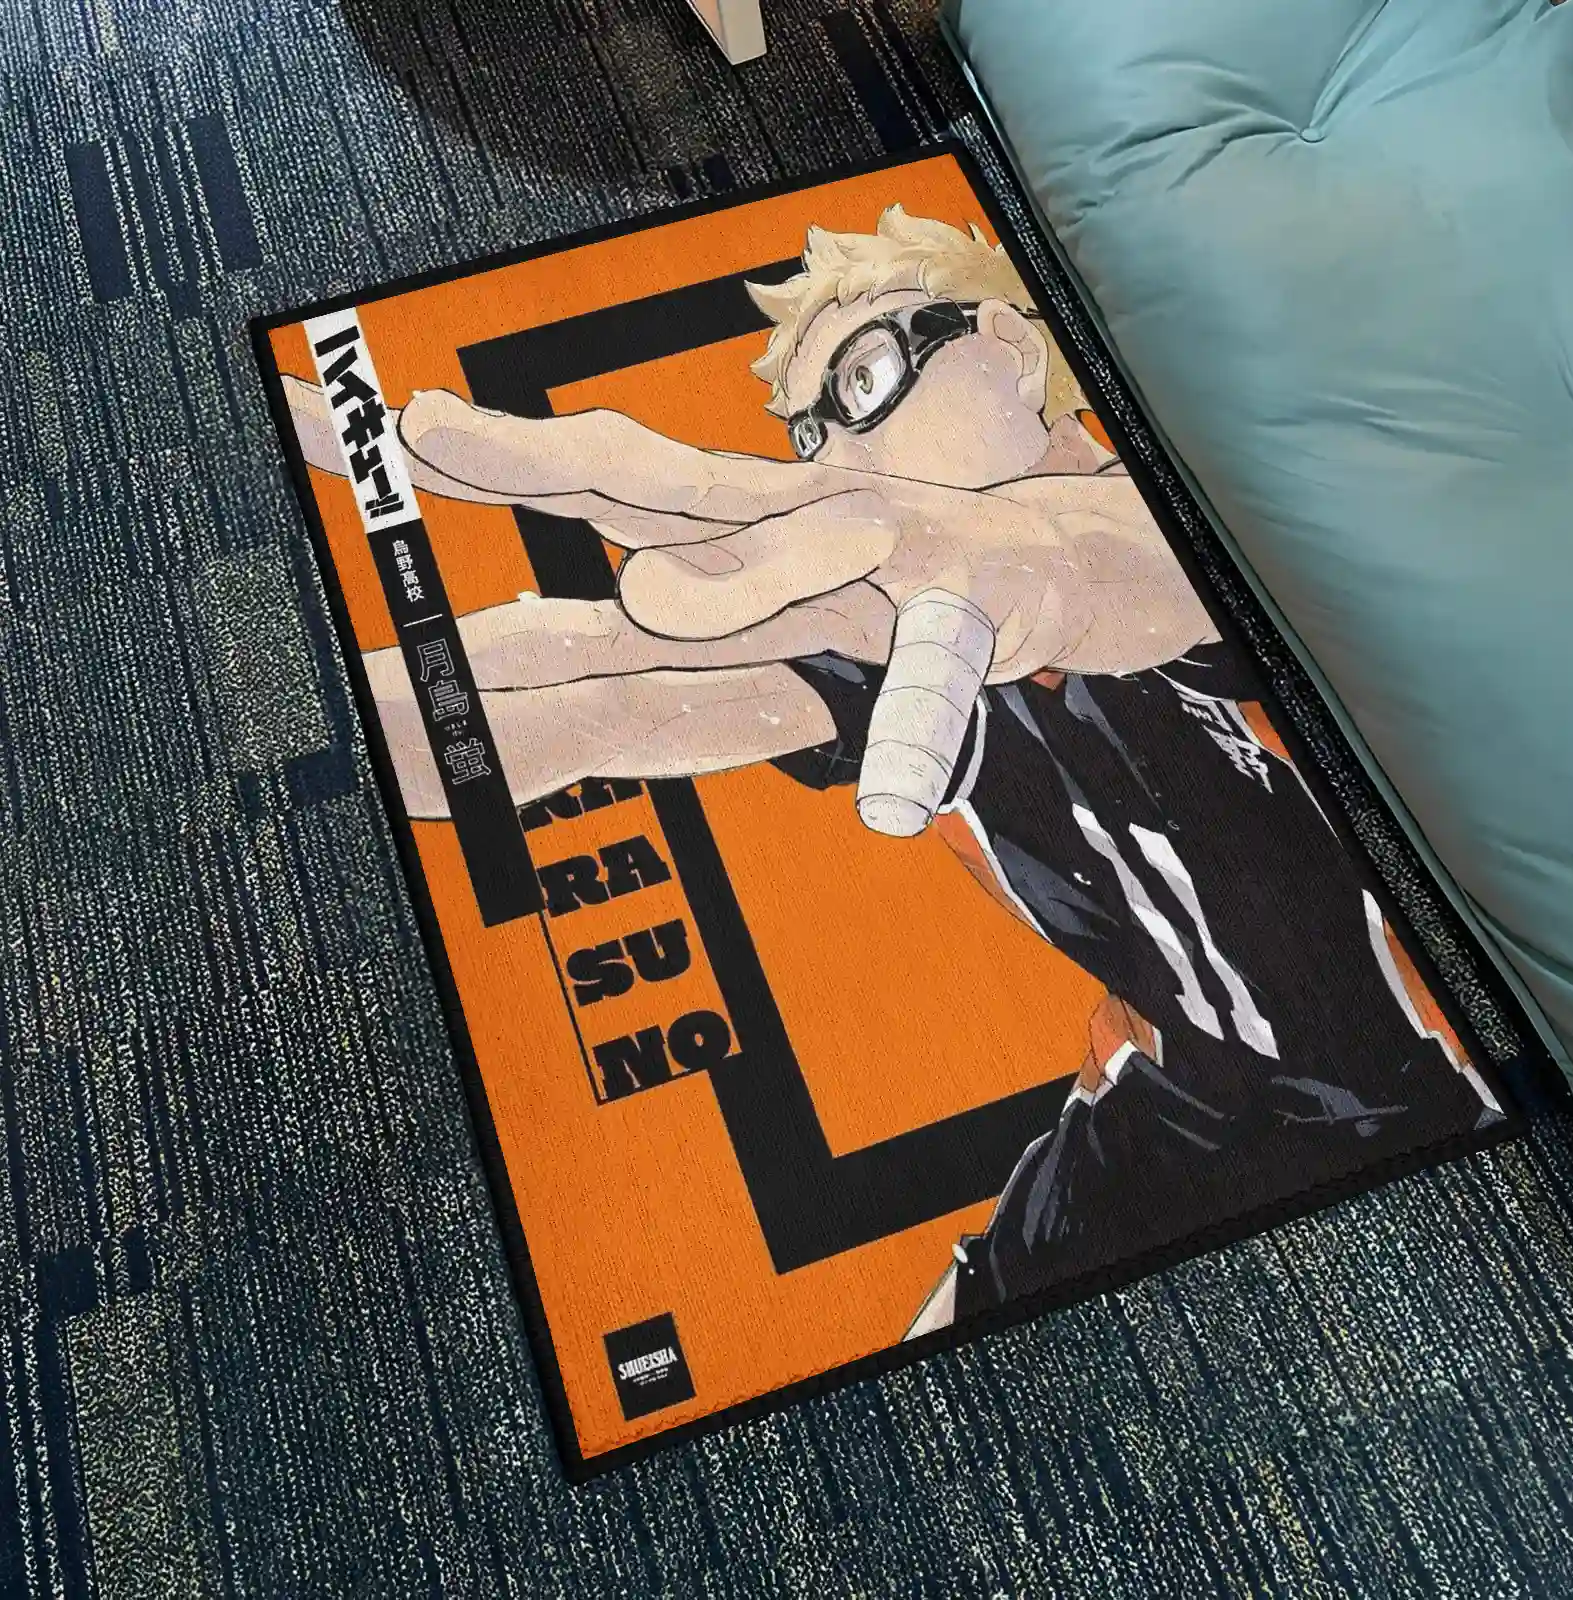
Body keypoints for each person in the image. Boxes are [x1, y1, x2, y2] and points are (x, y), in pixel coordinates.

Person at [284, 207, 1500, 1333]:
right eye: (814, 433)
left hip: (1434, 1073)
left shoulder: (1190, 516)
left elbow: (1100, 566)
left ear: (1010, 350)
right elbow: (614, 706)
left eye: (866, 379)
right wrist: (342, 705)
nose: (842, 454)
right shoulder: (894, 632)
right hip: (1170, 1096)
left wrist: (1012, 567)